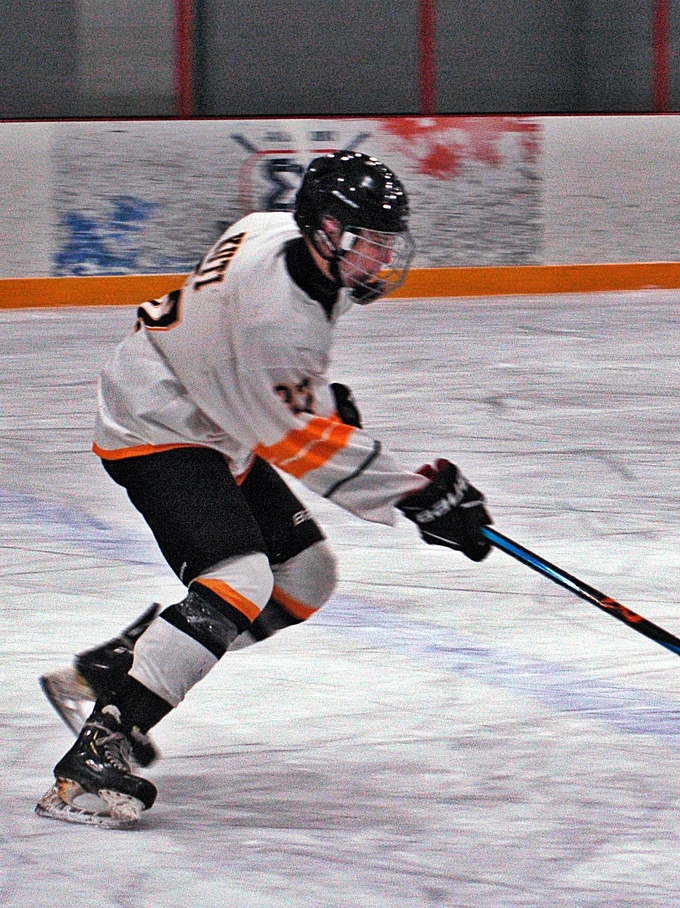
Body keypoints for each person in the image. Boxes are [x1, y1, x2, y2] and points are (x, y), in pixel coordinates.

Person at [36, 151, 496, 827]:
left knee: (306, 575)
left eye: (386, 241)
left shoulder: (276, 231)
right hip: (156, 420)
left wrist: (317, 400)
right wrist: (416, 495)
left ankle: (126, 664)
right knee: (241, 578)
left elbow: (254, 374)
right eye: (369, 240)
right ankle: (98, 752)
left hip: (212, 412)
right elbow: (293, 438)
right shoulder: (278, 318)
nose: (381, 257)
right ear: (327, 231)